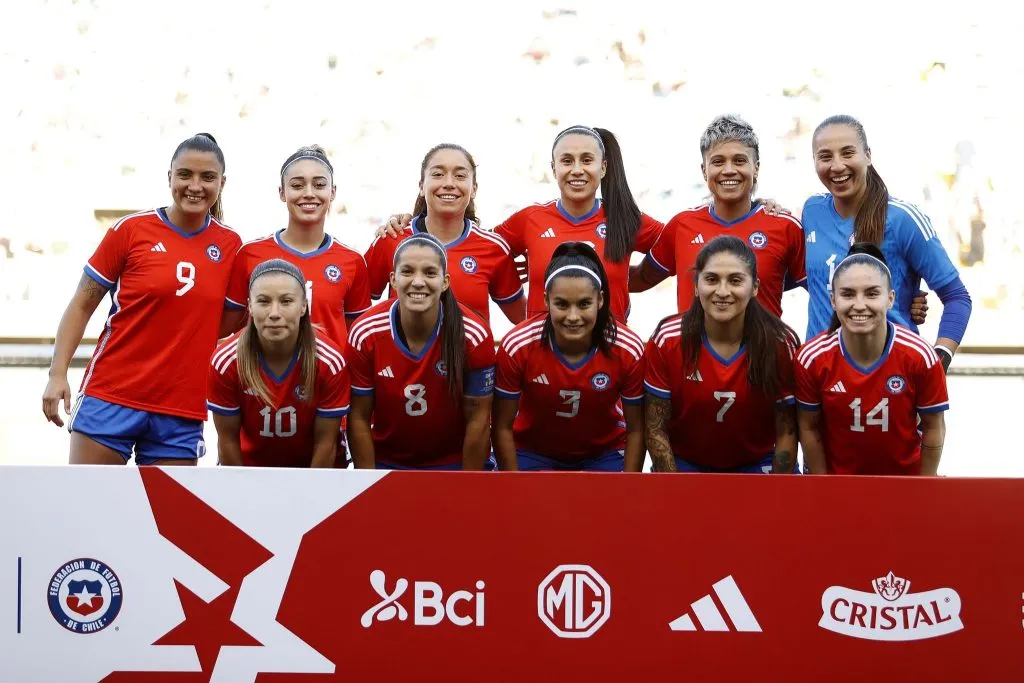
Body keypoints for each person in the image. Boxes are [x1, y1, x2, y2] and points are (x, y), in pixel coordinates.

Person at [41, 133, 241, 465]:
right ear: (169, 177)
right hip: (111, 397)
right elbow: (81, 304)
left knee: (169, 518)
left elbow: (230, 323)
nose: (195, 185)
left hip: (180, 410)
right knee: (90, 511)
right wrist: (57, 374)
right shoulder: (131, 231)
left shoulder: (232, 246)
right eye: (185, 174)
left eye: (207, 177)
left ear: (222, 182)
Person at [379, 126, 665, 321]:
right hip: (544, 362)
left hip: (612, 358)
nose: (576, 169)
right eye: (567, 160)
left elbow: (676, 250)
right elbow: (469, 243)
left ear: (603, 167)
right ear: (553, 168)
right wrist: (413, 222)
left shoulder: (626, 219)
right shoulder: (530, 220)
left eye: (586, 160)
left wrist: (629, 277)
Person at [801, 115, 971, 371]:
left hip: (892, 380)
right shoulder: (812, 211)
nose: (837, 166)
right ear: (814, 161)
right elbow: (811, 277)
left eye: (847, 153)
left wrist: (939, 359)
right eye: (825, 156)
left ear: (868, 155)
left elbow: (957, 297)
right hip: (822, 378)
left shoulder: (903, 219)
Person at [644, 235, 800, 473]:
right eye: (711, 279)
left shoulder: (780, 344)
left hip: (758, 463)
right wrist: (673, 489)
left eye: (735, 280)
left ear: (755, 286)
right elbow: (656, 429)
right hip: (687, 463)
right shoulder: (668, 340)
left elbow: (787, 431)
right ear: (696, 286)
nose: (723, 291)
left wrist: (776, 493)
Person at [630, 114, 806, 318]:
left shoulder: (785, 226)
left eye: (739, 161)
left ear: (756, 168)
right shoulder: (682, 225)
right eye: (718, 162)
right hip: (692, 350)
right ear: (704, 170)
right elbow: (639, 279)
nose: (729, 170)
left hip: (763, 350)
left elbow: (823, 287)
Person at [345, 233, 495, 470]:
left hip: (453, 461)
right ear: (393, 280)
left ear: (445, 281)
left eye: (429, 273)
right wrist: (367, 482)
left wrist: (469, 488)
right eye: (407, 272)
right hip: (387, 461)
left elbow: (478, 418)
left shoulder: (474, 335)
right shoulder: (365, 333)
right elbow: (359, 417)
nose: (418, 281)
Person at [493, 242, 646, 472]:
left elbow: (636, 429)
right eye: (562, 304)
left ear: (600, 300)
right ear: (546, 300)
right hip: (532, 451)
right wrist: (515, 485)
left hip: (605, 453)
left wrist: (628, 488)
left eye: (584, 304)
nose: (573, 317)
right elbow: (501, 425)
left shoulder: (627, 349)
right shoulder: (518, 346)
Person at [795, 247, 948, 475]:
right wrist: (823, 487)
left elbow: (934, 426)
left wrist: (924, 487)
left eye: (871, 293)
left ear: (890, 299)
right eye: (847, 294)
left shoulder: (920, 356)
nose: (859, 304)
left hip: (903, 484)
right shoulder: (811, 359)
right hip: (840, 486)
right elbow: (808, 427)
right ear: (833, 300)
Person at [221, 145, 372, 346]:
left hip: (328, 377)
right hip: (263, 376)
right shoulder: (250, 254)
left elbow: (356, 339)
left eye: (319, 185)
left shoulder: (352, 261)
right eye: (297, 185)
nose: (309, 193)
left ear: (333, 192)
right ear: (282, 192)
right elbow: (230, 328)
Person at [208, 259, 352, 467]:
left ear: (303, 306)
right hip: (249, 469)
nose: (274, 314)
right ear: (250, 306)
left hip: (313, 470)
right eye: (264, 301)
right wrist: (240, 494)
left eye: (286, 301)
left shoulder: (330, 362)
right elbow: (227, 441)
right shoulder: (227, 361)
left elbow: (326, 444)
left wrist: (308, 498)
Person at [363, 143, 525, 327]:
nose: (449, 183)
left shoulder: (494, 248)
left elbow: (524, 320)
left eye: (460, 176)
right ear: (422, 186)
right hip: (405, 356)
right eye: (438, 174)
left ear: (474, 189)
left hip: (471, 357)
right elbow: (352, 305)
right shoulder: (391, 239)